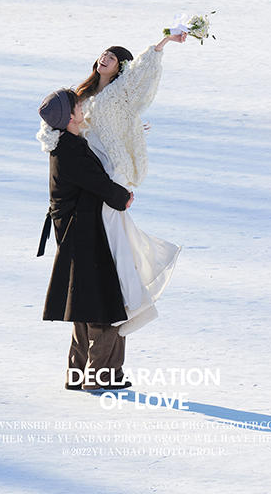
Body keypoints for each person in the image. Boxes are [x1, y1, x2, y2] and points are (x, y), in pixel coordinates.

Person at [67, 33, 187, 335]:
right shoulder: (83, 93)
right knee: (116, 234)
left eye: (113, 57)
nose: (105, 57)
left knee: (114, 233)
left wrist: (163, 44)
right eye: (104, 53)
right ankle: (137, 303)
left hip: (113, 168)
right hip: (94, 168)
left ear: (120, 67)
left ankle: (133, 304)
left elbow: (141, 73)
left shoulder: (120, 91)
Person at [36, 88, 134, 390]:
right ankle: (100, 375)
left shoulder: (66, 145)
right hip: (83, 235)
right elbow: (98, 182)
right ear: (69, 117)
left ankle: (77, 373)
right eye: (77, 106)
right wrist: (123, 197)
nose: (82, 108)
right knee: (105, 304)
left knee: (84, 304)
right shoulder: (70, 150)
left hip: (78, 233)